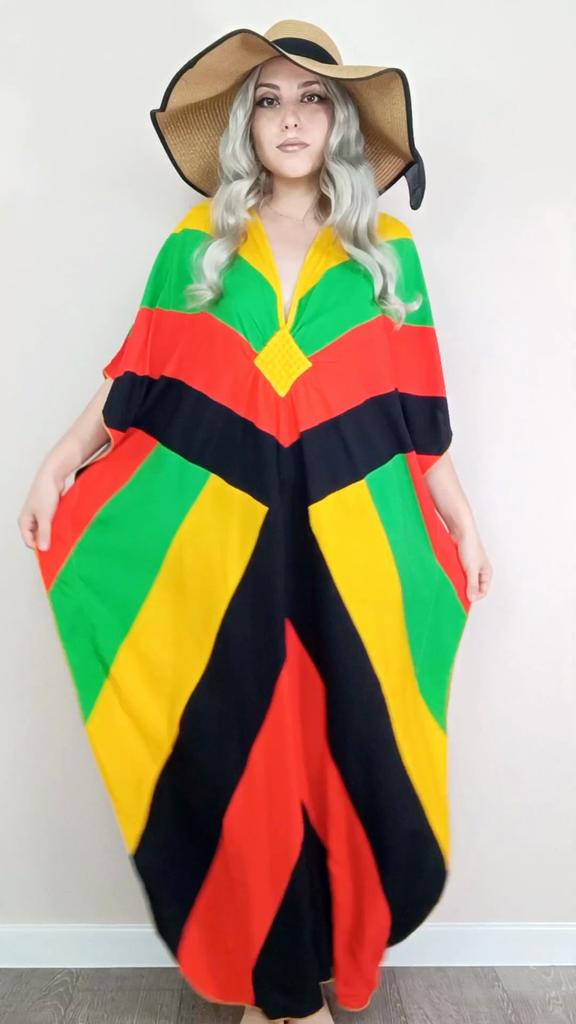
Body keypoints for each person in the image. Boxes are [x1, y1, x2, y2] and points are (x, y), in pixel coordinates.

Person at [18, 19, 492, 1024]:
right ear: (245, 123)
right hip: (229, 559)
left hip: (345, 560)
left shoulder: (387, 253)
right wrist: (60, 462)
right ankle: (272, 988)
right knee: (244, 754)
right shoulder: (197, 246)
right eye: (269, 100)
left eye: (313, 98)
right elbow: (139, 377)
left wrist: (460, 518)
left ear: (340, 121)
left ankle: (310, 976)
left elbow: (418, 409)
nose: (291, 118)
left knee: (344, 744)